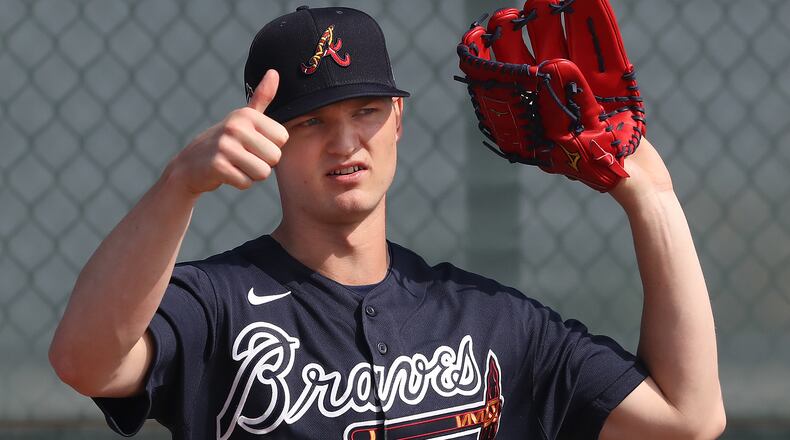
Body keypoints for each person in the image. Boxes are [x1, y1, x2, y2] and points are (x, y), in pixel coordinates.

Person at [49, 5, 725, 440]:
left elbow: (688, 419)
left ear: (398, 121)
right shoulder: (219, 305)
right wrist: (179, 186)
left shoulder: (488, 320)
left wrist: (653, 201)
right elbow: (85, 361)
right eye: (312, 122)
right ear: (264, 137)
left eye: (365, 111)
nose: (345, 144)